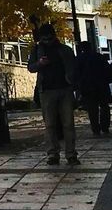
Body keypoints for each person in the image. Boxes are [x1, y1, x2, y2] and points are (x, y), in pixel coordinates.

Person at [27, 24, 79, 166]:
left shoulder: (65, 50)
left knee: (68, 123)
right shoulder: (37, 50)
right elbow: (30, 67)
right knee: (50, 124)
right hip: (47, 91)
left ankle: (71, 154)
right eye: (44, 38)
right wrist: (40, 63)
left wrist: (73, 82)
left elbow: (74, 68)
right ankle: (53, 154)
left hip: (65, 89)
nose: (47, 41)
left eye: (49, 38)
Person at [75, 39, 111, 137]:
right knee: (104, 107)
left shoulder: (79, 59)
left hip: (88, 88)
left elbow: (76, 74)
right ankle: (105, 126)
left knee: (92, 109)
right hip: (101, 86)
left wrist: (79, 86)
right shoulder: (99, 57)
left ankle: (95, 129)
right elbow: (108, 71)